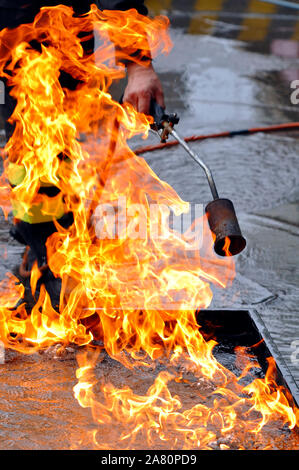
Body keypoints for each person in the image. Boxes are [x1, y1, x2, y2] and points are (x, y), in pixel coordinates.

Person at [0, 0, 165, 308]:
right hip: (8, 35)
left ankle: (50, 257)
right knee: (27, 159)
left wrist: (139, 64)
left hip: (56, 37)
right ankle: (40, 245)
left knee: (45, 156)